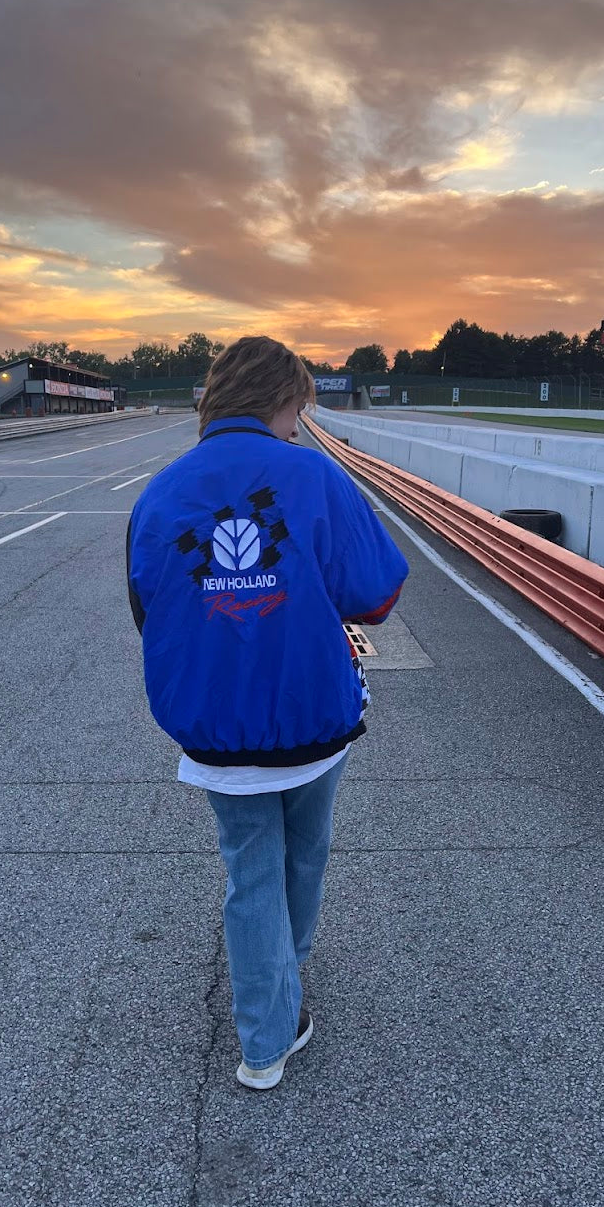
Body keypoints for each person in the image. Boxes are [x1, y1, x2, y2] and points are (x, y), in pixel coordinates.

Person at [126, 336, 408, 1089]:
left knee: (248, 864)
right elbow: (376, 596)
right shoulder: (312, 473)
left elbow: (148, 605)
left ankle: (264, 1040)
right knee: (304, 849)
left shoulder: (162, 488)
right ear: (284, 398)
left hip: (213, 722)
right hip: (311, 712)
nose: (298, 422)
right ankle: (284, 986)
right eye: (298, 407)